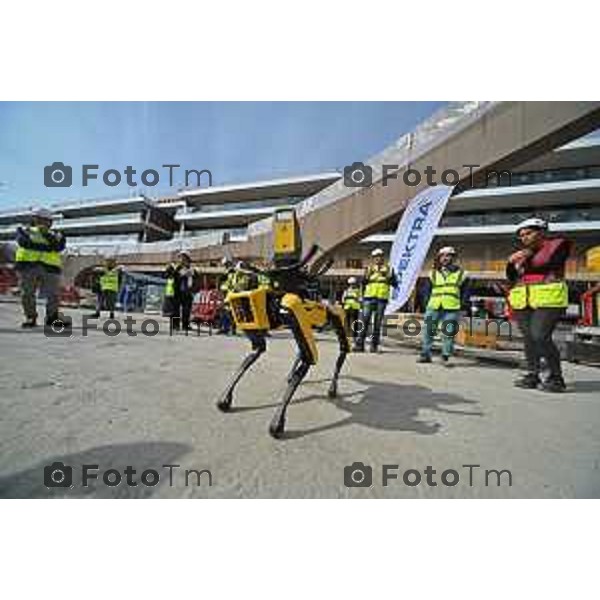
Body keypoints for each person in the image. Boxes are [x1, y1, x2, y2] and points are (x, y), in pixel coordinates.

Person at [507, 217, 571, 392]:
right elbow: (512, 276)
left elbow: (553, 264)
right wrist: (510, 263)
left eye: (529, 233)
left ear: (541, 232)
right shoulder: (523, 254)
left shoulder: (559, 244)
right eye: (521, 235)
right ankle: (532, 374)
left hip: (549, 298)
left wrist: (526, 258)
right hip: (524, 299)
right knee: (529, 339)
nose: (524, 238)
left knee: (540, 335)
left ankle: (556, 378)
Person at [14, 207, 66, 328]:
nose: (44, 222)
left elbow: (58, 247)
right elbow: (24, 243)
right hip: (27, 266)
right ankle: (30, 317)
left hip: (51, 268)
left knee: (53, 295)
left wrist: (44, 236)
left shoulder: (57, 234)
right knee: (27, 293)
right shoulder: (24, 230)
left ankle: (51, 318)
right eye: (40, 219)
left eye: (47, 220)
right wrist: (48, 246)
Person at [418, 246, 469, 365]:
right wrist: (426, 305)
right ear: (439, 258)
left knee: (448, 332)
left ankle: (445, 356)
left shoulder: (462, 274)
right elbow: (426, 291)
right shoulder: (433, 274)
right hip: (433, 306)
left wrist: (462, 306)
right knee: (428, 331)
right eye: (443, 256)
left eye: (448, 255)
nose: (445, 258)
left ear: (454, 258)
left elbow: (466, 292)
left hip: (452, 307)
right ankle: (425, 354)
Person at [353, 248, 397, 353]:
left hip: (381, 299)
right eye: (376, 257)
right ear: (373, 259)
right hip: (368, 298)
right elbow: (363, 283)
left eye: (380, 256)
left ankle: (374, 346)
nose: (378, 258)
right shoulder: (369, 269)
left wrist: (388, 276)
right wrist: (361, 297)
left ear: (383, 258)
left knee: (377, 324)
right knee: (364, 321)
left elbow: (395, 283)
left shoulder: (389, 269)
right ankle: (360, 345)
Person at [171, 251, 199, 331]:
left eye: (183, 258)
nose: (181, 259)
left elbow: (196, 277)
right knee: (175, 309)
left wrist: (192, 274)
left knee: (186, 309)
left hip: (187, 291)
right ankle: (175, 325)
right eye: (180, 258)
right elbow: (173, 275)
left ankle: (185, 325)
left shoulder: (191, 268)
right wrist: (181, 274)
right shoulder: (177, 268)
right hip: (178, 291)